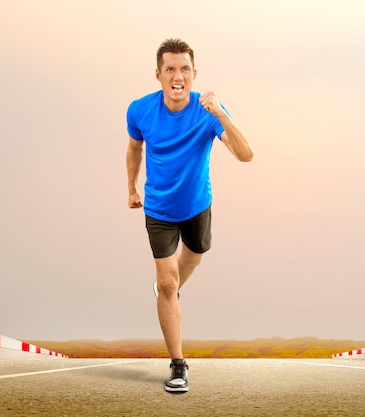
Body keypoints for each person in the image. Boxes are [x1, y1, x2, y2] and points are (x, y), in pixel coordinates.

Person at [125, 38, 253, 393]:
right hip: (159, 209)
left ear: (194, 74)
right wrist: (131, 188)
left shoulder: (207, 111)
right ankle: (178, 365)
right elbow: (134, 147)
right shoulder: (140, 110)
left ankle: (171, 287)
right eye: (170, 69)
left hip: (197, 206)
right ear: (159, 74)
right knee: (167, 283)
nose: (177, 76)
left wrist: (221, 113)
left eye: (184, 69)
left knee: (194, 258)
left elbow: (246, 155)